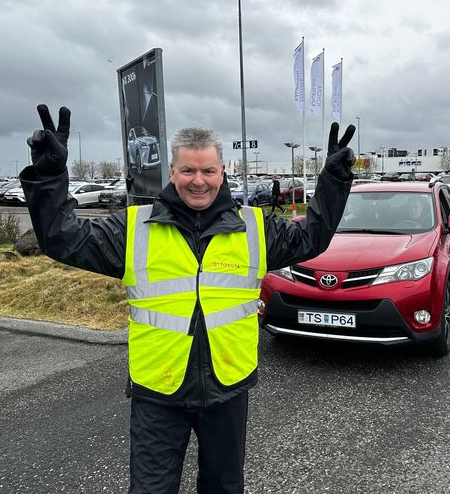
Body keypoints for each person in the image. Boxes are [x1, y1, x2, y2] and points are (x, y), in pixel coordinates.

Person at [20, 104, 355, 494]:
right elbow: (63, 238)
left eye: (208, 171)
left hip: (227, 389)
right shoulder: (134, 229)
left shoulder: (255, 228)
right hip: (157, 394)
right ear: (173, 172)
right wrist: (49, 176)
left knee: (224, 488)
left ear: (222, 172)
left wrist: (332, 179)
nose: (199, 181)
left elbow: (312, 236)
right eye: (189, 171)